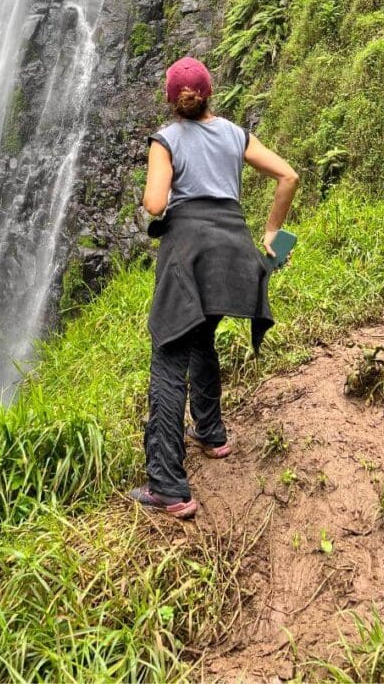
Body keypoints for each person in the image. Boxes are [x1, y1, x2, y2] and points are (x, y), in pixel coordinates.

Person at [129, 56, 299, 519]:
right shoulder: (234, 133)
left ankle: (167, 486)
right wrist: (271, 234)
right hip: (233, 255)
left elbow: (156, 203)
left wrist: (154, 188)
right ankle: (211, 433)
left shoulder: (165, 140)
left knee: (168, 356)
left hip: (188, 254)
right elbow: (289, 175)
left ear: (171, 100)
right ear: (209, 94)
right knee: (201, 337)